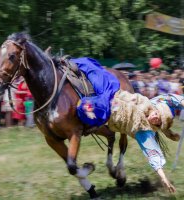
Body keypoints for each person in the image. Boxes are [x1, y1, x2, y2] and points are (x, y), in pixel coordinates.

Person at [70, 57, 182, 193]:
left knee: (85, 107)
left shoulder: (142, 131)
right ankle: (68, 62)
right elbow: (172, 99)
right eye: (157, 116)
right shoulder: (151, 103)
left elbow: (152, 154)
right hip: (112, 91)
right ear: (156, 110)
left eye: (157, 122)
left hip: (109, 113)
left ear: (156, 127)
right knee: (91, 68)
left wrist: (164, 178)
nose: (154, 118)